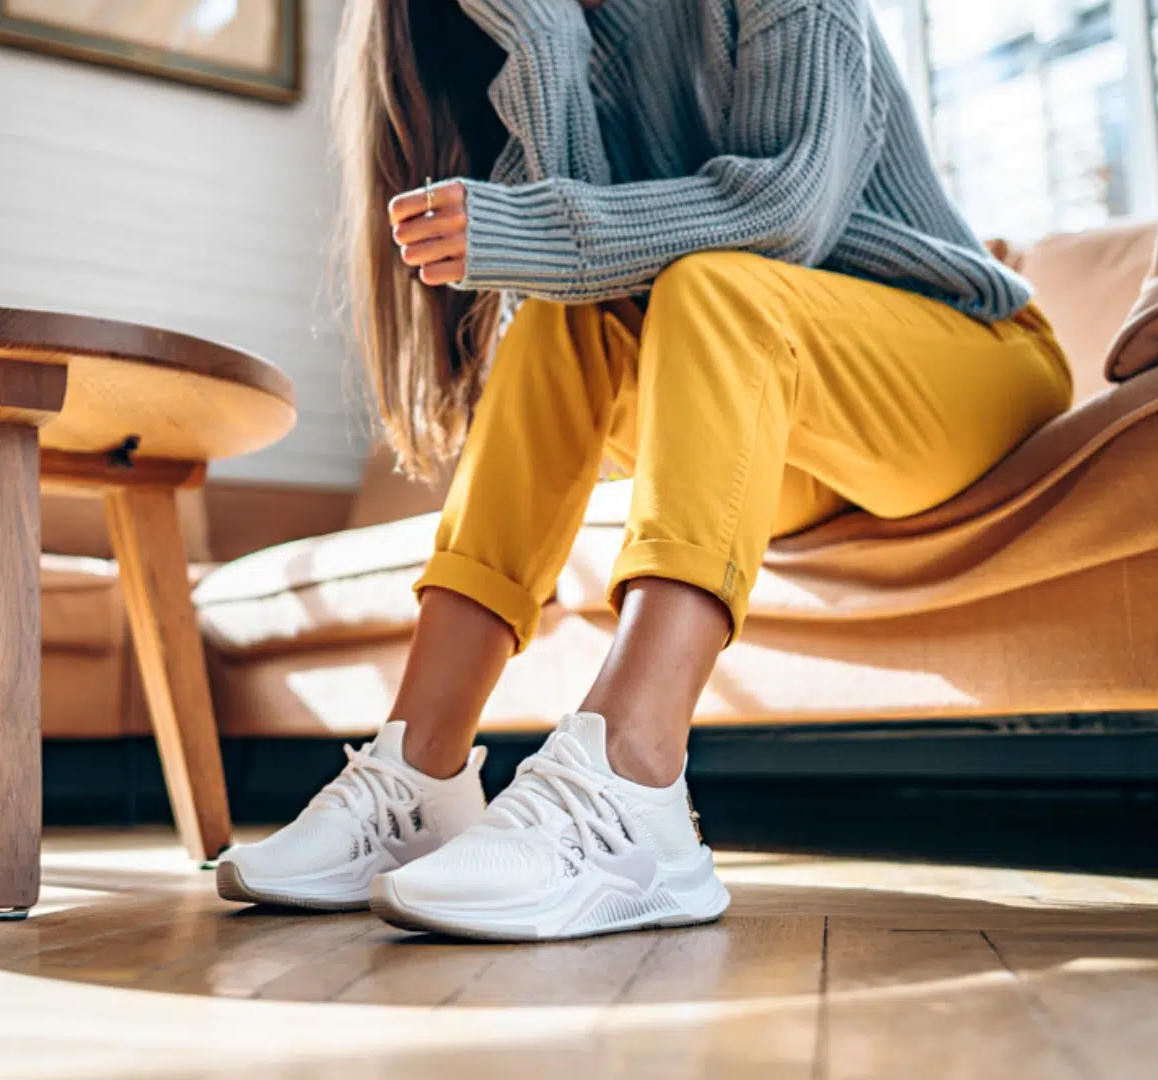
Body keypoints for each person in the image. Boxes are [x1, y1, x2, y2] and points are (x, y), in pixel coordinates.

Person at [214, 0, 1071, 942]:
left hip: (964, 367)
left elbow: (784, 214)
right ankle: (420, 774)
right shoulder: (553, 25)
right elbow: (577, 282)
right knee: (560, 320)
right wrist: (546, 45)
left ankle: (634, 776)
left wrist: (536, 226)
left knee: (715, 284)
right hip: (783, 426)